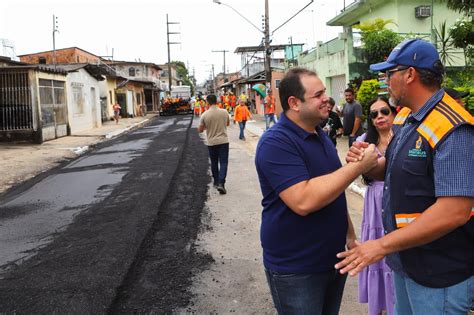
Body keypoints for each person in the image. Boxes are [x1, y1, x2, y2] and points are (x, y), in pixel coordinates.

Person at [335, 39, 474, 314]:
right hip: (407, 262)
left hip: (438, 274)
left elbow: (454, 211)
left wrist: (381, 245)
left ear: (410, 74)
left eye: (390, 73)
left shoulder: (454, 129)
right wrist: (366, 164)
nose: (385, 81)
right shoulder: (407, 117)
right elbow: (392, 169)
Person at [255, 67, 378, 314]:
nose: (327, 99)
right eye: (318, 94)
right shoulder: (276, 142)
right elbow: (304, 200)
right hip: (297, 269)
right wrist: (358, 168)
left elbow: (333, 191)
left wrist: (350, 237)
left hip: (332, 261)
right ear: (294, 103)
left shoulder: (319, 135)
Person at [356, 96, 396, 315]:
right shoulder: (364, 141)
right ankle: (379, 306)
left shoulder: (403, 136)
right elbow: (357, 168)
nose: (380, 116)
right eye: (374, 114)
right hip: (374, 201)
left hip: (397, 199)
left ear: (393, 113)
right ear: (370, 120)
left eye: (384, 111)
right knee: (375, 249)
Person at [198, 94, 230, 195]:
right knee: (224, 162)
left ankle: (216, 182)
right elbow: (227, 124)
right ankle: (221, 183)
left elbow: (200, 130)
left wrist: (208, 127)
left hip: (211, 142)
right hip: (223, 141)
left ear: (207, 102)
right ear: (216, 101)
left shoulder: (204, 114)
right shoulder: (224, 112)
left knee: (214, 162)